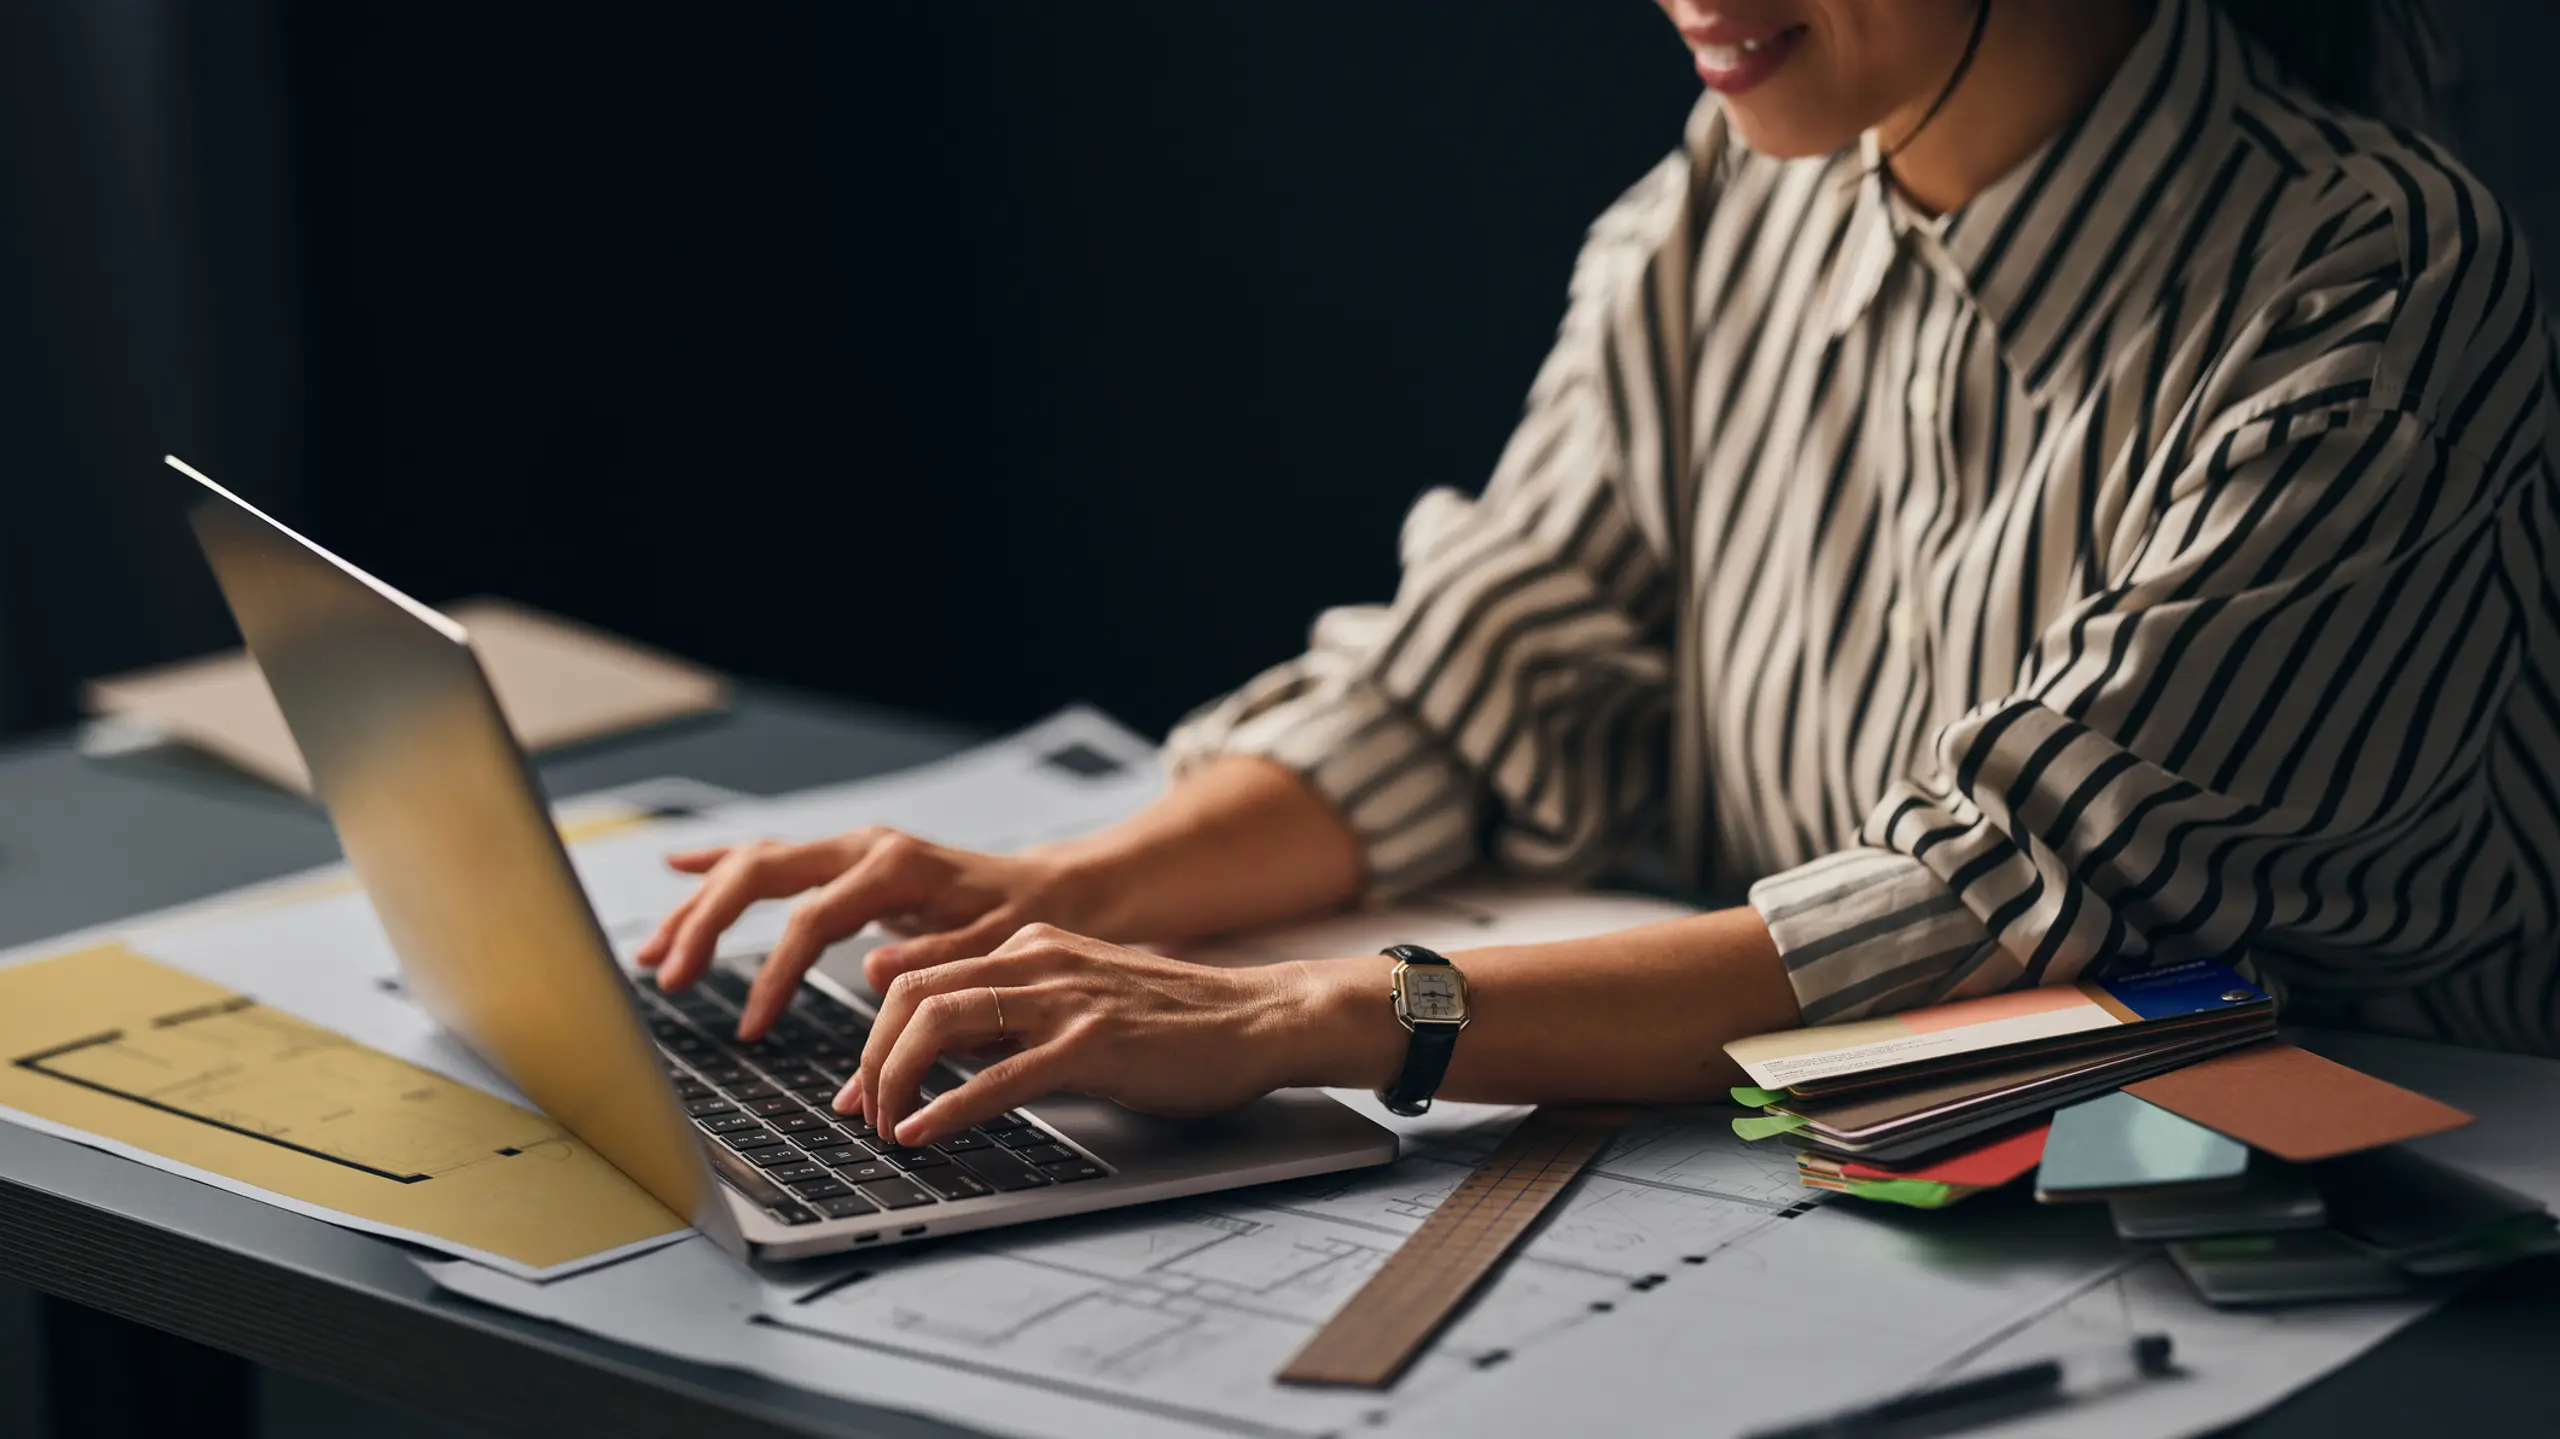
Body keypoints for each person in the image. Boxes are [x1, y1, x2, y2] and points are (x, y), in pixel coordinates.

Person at [642, 0, 2560, 1153]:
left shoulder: (2374, 279)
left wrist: (1325, 1014)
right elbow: (1479, 672)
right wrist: (1074, 890)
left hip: (2384, 1240)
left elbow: (2007, 901)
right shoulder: (1734, 196)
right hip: (1883, 1187)